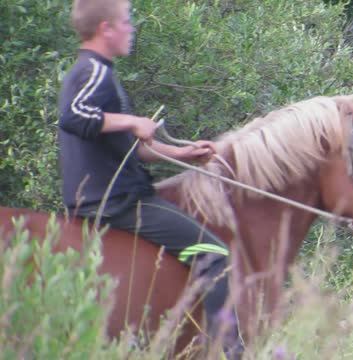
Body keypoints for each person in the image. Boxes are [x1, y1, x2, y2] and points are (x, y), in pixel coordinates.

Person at [58, 0, 242, 357]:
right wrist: (130, 121)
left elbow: (131, 149)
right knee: (214, 253)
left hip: (112, 197)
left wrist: (183, 155)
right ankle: (234, 351)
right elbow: (72, 115)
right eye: (126, 21)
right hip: (117, 202)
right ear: (105, 29)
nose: (132, 28)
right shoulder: (93, 71)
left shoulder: (102, 73)